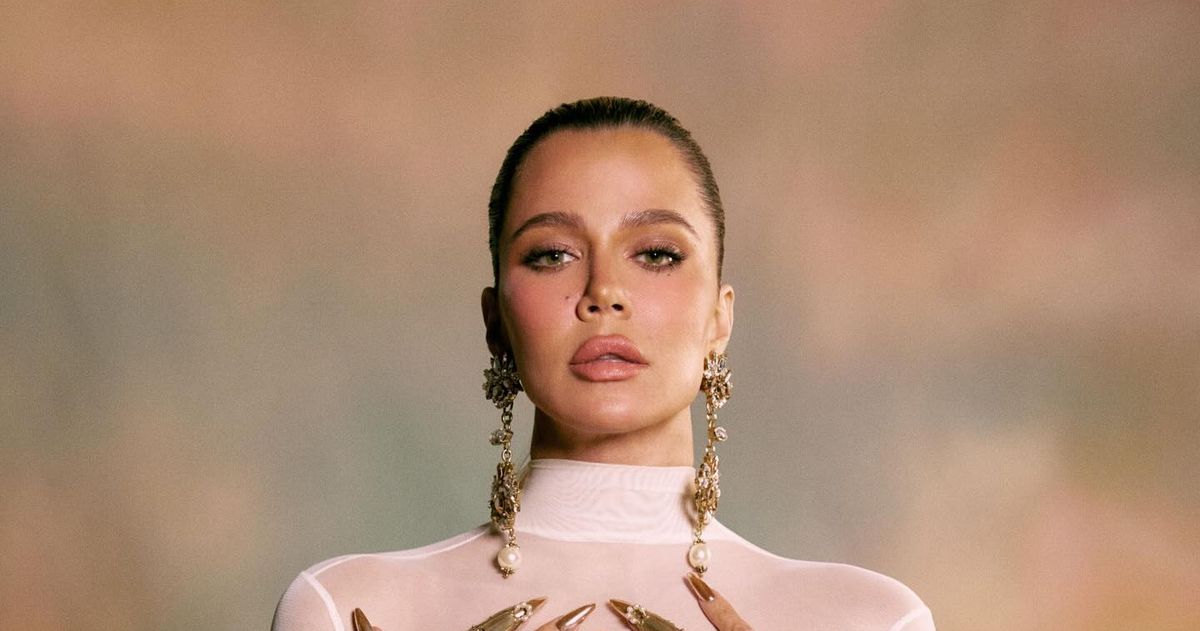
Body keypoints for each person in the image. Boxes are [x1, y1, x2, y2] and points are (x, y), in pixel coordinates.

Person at [271, 97, 934, 630]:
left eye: (656, 254)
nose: (604, 291)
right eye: (552, 254)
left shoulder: (873, 619)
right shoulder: (344, 607)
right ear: (496, 321)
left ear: (719, 317)